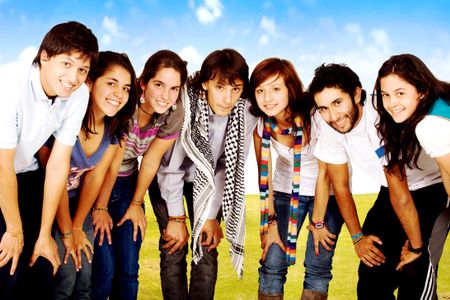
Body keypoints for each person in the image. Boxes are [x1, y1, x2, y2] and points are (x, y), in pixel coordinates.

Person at [308, 63, 447, 299]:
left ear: (356, 94)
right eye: (323, 108)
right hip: (390, 192)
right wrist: (357, 237)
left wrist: (415, 247)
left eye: (337, 103)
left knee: (414, 274)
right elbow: (340, 185)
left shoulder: (380, 118)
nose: (332, 116)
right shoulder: (328, 123)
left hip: (429, 189)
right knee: (371, 284)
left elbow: (401, 192)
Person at [148, 48, 258, 300]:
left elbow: (226, 166)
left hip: (209, 186)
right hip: (168, 179)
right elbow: (170, 167)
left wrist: (210, 217)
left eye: (236, 89)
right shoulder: (185, 105)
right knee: (173, 249)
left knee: (206, 249)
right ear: (206, 82)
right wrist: (177, 218)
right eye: (220, 87)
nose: (228, 98)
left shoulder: (244, 112)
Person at [0, 21, 98, 299]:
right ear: (44, 56)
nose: (74, 76)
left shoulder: (78, 95)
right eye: (66, 64)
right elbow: (2, 164)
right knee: (8, 265)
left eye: (82, 69)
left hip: (26, 175)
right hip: (2, 172)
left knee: (43, 266)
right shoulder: (9, 83)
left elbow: (57, 165)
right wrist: (15, 231)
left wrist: (44, 234)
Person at [38, 51, 137, 299]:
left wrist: (79, 225)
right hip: (46, 203)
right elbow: (56, 181)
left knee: (85, 278)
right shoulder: (66, 119)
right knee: (66, 276)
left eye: (125, 88)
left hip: (76, 205)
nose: (119, 94)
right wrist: (67, 232)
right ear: (91, 82)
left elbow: (95, 177)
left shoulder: (114, 130)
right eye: (111, 83)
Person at [90, 49, 187, 300]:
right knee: (104, 271)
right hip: (95, 182)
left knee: (129, 270)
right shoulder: (124, 103)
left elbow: (152, 159)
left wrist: (136, 203)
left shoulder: (174, 112)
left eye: (174, 88)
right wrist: (99, 208)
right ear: (143, 83)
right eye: (158, 85)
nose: (166, 96)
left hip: (127, 184)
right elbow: (110, 162)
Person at [248, 58, 343, 300]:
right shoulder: (262, 125)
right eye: (260, 90)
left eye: (275, 89)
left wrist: (319, 223)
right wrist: (269, 224)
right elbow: (264, 175)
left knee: (318, 266)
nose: (267, 97)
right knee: (272, 262)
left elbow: (326, 173)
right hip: (283, 192)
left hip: (327, 195)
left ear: (290, 88)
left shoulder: (316, 116)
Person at [374, 53, 450, 298]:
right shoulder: (440, 101)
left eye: (400, 93)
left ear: (421, 90)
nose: (391, 103)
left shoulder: (429, 125)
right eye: (385, 94)